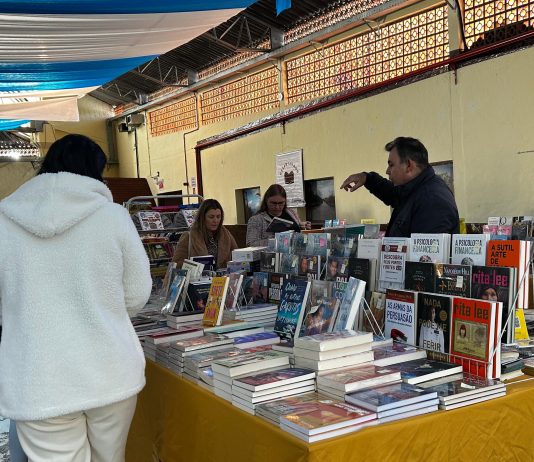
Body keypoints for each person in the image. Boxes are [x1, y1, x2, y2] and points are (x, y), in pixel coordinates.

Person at [0, 134, 152, 461]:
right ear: (96, 172)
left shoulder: (4, 220)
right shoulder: (114, 217)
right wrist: (103, 310)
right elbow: (137, 294)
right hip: (111, 369)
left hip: (39, 377)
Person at [340, 137, 459, 237]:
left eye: (391, 165)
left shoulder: (431, 200)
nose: (387, 171)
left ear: (408, 166)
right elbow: (392, 193)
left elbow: (425, 256)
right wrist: (367, 178)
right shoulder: (415, 189)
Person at [171, 199, 237, 269]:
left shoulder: (226, 235)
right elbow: (176, 264)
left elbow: (237, 257)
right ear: (202, 217)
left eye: (218, 217)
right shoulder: (189, 236)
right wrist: (195, 265)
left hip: (223, 275)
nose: (215, 220)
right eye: (211, 217)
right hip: (198, 275)